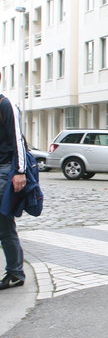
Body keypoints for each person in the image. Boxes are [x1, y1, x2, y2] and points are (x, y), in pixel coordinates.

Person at [0, 89, 27, 290]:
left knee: (3, 222)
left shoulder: (5, 105)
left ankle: (15, 272)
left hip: (4, 169)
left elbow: (17, 139)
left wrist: (20, 171)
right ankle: (15, 270)